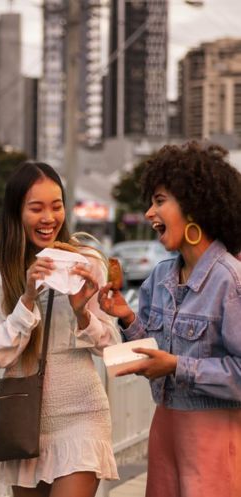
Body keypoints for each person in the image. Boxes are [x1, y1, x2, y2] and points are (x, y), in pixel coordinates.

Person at [98, 141, 241, 497]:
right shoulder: (159, 277)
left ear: (194, 206)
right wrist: (127, 317)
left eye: (160, 200)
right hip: (165, 427)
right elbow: (154, 349)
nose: (149, 212)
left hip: (214, 434)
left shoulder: (231, 281)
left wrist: (177, 366)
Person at [0, 161, 119, 497]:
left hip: (83, 413)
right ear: (15, 212)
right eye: (36, 208)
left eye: (56, 206)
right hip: (25, 419)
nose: (49, 218)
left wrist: (83, 313)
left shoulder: (85, 262)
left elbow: (110, 343)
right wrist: (26, 298)